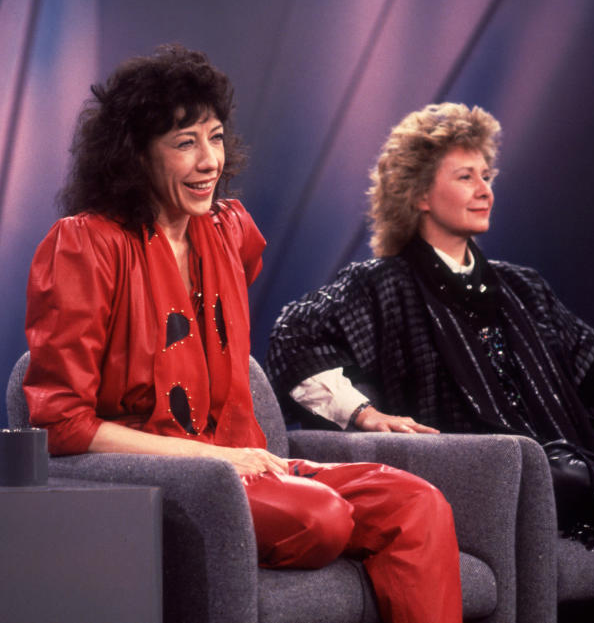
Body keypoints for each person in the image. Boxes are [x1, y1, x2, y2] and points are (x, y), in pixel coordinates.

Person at [266, 102, 594, 623]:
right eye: (465, 177)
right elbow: (295, 339)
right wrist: (364, 414)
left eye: (486, 175)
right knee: (566, 474)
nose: (485, 189)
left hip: (572, 442)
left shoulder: (521, 285)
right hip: (488, 459)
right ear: (417, 195)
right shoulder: (380, 284)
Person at [23, 45, 463, 623]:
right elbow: (58, 424)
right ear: (134, 156)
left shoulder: (230, 230)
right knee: (321, 516)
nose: (209, 161)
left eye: (216, 137)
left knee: (419, 504)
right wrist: (219, 459)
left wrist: (242, 457)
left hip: (250, 466)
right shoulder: (86, 244)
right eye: (185, 143)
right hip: (164, 478)